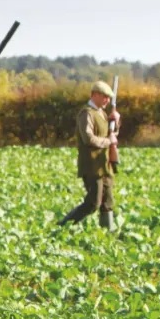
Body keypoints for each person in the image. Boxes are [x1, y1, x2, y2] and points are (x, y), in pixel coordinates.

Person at [58, 81, 120, 231]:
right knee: (93, 203)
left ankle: (108, 236)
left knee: (108, 203)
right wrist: (108, 141)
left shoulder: (102, 113)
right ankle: (62, 227)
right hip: (92, 166)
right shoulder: (86, 113)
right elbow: (88, 138)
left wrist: (116, 122)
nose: (107, 100)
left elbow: (113, 135)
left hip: (104, 165)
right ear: (95, 95)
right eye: (105, 96)